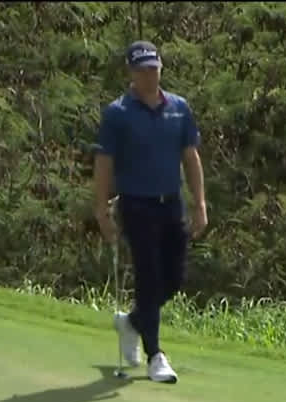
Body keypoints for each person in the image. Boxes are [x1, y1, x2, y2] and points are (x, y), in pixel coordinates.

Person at [93, 39, 207, 384]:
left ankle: (132, 322)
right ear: (131, 72)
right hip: (136, 204)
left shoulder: (179, 108)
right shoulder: (118, 113)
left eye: (154, 68)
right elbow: (104, 163)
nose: (150, 75)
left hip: (171, 203)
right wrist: (101, 210)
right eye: (143, 70)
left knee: (173, 279)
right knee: (149, 277)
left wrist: (200, 203)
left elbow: (190, 157)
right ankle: (155, 354)